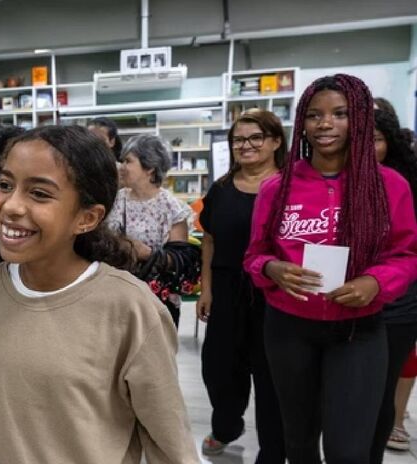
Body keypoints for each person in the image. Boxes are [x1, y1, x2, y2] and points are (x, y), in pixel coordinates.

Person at [0, 125, 200, 463]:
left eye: (39, 194)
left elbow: (169, 436)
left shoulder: (129, 307)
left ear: (87, 217)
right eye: (5, 185)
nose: (11, 206)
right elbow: (17, 381)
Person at [244, 74, 417, 463]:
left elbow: (406, 255)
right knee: (300, 443)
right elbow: (254, 255)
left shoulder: (389, 186)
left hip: (358, 331)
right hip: (289, 329)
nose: (325, 124)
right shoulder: (277, 188)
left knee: (348, 451)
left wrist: (375, 281)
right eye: (314, 115)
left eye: (339, 114)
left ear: (357, 119)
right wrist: (272, 268)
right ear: (301, 123)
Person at [197, 110, 286, 461]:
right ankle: (227, 426)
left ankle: (273, 451)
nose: (245, 146)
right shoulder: (221, 188)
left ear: (276, 141)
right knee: (219, 368)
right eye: (238, 140)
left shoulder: (289, 187)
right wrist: (206, 289)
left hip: (274, 293)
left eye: (255, 138)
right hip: (227, 287)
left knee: (271, 376)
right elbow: (209, 240)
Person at [106, 134, 193, 327]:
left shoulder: (171, 207)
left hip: (157, 301)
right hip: (118, 295)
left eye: (128, 161)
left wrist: (145, 253)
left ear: (149, 168)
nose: (122, 167)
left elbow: (180, 260)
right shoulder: (117, 199)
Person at [370, 108, 417, 461]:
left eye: (376, 140)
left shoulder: (403, 183)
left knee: (383, 389)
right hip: (349, 300)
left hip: (399, 301)